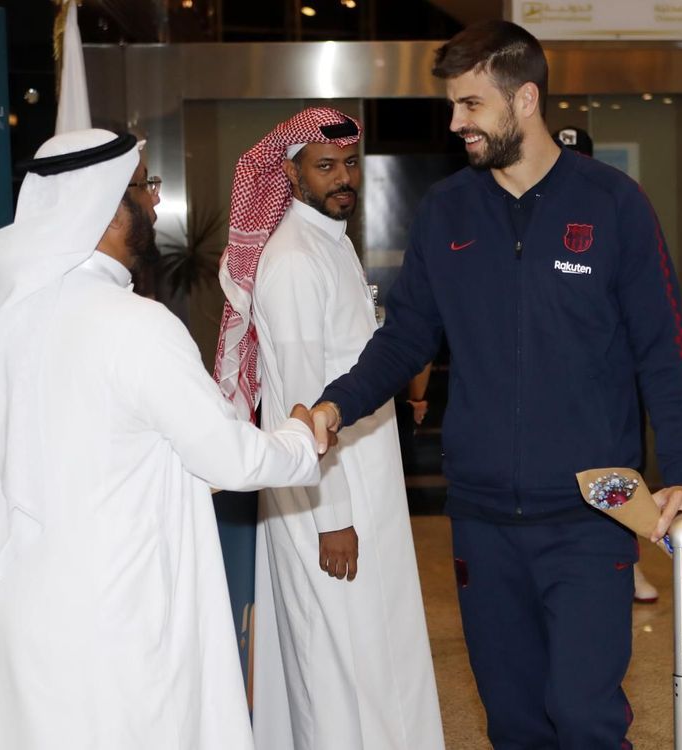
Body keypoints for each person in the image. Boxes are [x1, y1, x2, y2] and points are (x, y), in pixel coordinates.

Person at [309, 21, 682, 750]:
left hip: (596, 507)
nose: (456, 122)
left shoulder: (613, 205)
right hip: (483, 518)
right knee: (516, 723)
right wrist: (338, 403)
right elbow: (404, 338)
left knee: (584, 714)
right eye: (454, 106)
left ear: (524, 100)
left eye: (470, 105)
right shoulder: (447, 213)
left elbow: (666, 351)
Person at [0, 128, 324, 750]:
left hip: (19, 616)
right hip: (113, 619)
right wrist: (302, 439)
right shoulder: (135, 326)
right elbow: (227, 459)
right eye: (143, 188)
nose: (152, 203)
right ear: (102, 204)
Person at [213, 108, 445, 750]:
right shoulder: (291, 259)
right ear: (289, 173)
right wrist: (331, 517)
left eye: (349, 165)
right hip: (331, 496)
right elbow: (295, 397)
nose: (342, 178)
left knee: (371, 655)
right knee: (336, 662)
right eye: (325, 166)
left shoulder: (329, 240)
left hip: (364, 482)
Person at [552, 124, 661, 605]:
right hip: (561, 384)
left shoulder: (617, 209)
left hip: (612, 381)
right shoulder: (539, 216)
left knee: (618, 475)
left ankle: (629, 562)